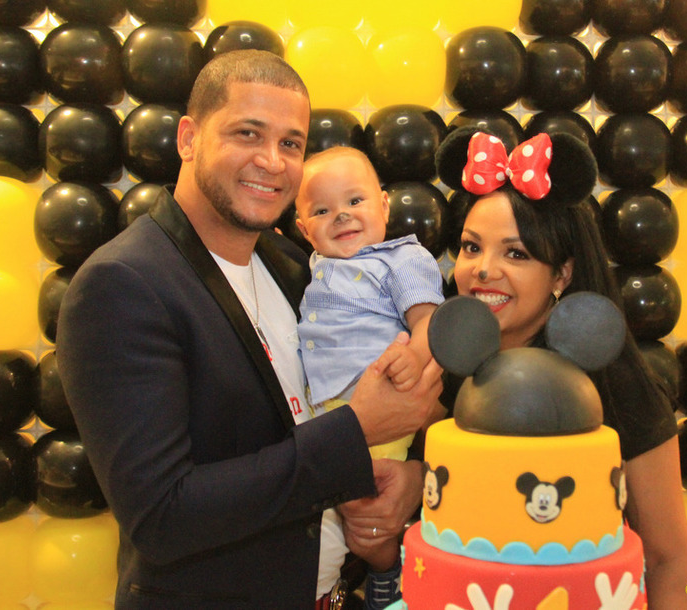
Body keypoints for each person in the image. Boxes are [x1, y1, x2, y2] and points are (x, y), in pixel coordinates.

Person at [55, 49, 442, 609]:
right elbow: (163, 516)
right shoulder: (122, 283)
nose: (272, 161)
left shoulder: (297, 265)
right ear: (189, 138)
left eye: (291, 143)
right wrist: (354, 433)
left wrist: (408, 477)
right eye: (248, 133)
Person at [435, 128, 687, 608]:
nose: (483, 269)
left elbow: (670, 558)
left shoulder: (616, 384)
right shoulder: (446, 366)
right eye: (472, 247)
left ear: (562, 273)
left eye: (516, 253)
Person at [294, 146, 445, 607]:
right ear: (303, 229)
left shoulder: (401, 258)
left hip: (380, 405)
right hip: (322, 412)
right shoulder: (316, 263)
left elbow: (429, 320)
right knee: (332, 510)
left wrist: (413, 356)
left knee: (353, 515)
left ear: (384, 205)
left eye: (355, 201)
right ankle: (384, 572)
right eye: (322, 210)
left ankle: (383, 576)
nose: (341, 215)